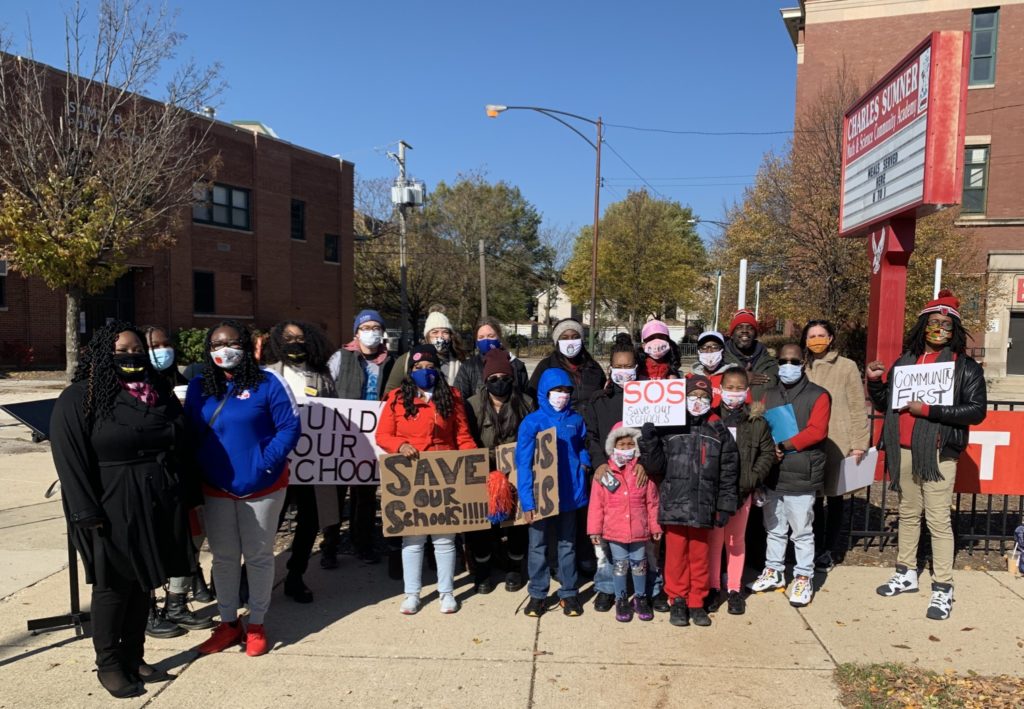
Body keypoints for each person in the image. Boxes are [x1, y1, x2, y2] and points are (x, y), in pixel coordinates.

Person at [50, 321, 194, 697]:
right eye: (122, 351)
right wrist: (86, 511)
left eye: (136, 351)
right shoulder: (80, 397)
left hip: (157, 498)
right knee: (113, 586)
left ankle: (133, 655)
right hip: (109, 502)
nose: (131, 357)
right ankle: (109, 663)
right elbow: (69, 459)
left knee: (144, 580)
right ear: (101, 355)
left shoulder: (156, 391)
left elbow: (179, 434)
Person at [185, 321, 301, 657]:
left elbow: (289, 427)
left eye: (232, 343)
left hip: (263, 487)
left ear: (246, 346)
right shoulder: (198, 387)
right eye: (216, 344)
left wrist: (266, 462)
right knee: (223, 558)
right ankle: (227, 623)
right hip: (216, 488)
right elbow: (191, 433)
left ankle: (258, 624)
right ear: (209, 350)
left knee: (259, 556)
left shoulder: (269, 383)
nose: (224, 350)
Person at [868, 290, 986, 620]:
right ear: (923, 326)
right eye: (934, 322)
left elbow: (976, 411)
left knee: (937, 520)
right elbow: (885, 404)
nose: (939, 328)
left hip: (937, 454)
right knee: (908, 513)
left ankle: (943, 587)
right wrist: (876, 383)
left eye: (946, 324)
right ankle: (906, 572)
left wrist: (929, 410)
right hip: (903, 450)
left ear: (955, 330)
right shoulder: (905, 363)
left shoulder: (965, 368)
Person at [375, 344, 476, 615]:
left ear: (438, 370)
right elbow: (383, 435)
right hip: (410, 474)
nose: (424, 372)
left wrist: (470, 464)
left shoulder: (452, 397)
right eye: (418, 368)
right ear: (410, 372)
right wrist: (400, 446)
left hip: (445, 474)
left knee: (444, 539)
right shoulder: (397, 398)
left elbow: (463, 436)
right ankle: (412, 594)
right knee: (413, 539)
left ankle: (446, 592)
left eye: (430, 367)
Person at [644, 375, 739, 628]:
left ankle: (697, 601)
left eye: (703, 397)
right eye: (692, 396)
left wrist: (725, 504)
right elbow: (655, 466)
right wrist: (649, 438)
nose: (698, 401)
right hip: (675, 503)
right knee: (675, 555)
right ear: (682, 398)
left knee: (700, 555)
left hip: (703, 506)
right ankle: (677, 599)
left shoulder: (718, 429)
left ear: (711, 399)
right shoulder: (670, 426)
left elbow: (729, 470)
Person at [583, 333, 665, 613]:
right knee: (608, 540)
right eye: (618, 366)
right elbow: (592, 437)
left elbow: (657, 434)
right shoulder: (599, 400)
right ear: (610, 368)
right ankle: (608, 588)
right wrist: (599, 464)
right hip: (610, 474)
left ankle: (651, 589)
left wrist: (646, 463)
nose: (623, 372)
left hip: (641, 473)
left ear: (636, 367)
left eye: (628, 366)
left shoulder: (649, 397)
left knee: (645, 544)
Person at [141, 325, 213, 637]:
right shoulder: (136, 386)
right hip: (152, 479)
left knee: (191, 540)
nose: (162, 350)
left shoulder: (187, 383)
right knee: (151, 545)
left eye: (166, 343)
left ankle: (176, 603)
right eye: (154, 345)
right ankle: (146, 609)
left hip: (186, 475)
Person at [748, 343, 831, 608]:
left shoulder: (819, 395)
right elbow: (756, 425)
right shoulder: (767, 394)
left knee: (802, 531)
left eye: (794, 361)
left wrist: (783, 446)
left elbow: (817, 431)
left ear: (803, 363)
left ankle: (803, 576)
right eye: (783, 360)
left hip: (801, 472)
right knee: (773, 527)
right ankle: (773, 570)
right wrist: (769, 449)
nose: (788, 366)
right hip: (773, 473)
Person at [261, 319, 338, 604]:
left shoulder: (323, 375)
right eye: (289, 338)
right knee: (270, 520)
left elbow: (335, 417)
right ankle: (251, 576)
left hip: (312, 465)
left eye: (300, 338)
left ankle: (296, 575)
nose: (296, 343)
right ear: (278, 343)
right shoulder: (267, 375)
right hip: (280, 462)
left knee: (309, 521)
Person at [325, 309, 396, 568]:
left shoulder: (390, 361)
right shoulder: (340, 358)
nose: (371, 332)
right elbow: (326, 388)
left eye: (376, 327)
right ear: (356, 332)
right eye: (366, 327)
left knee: (365, 495)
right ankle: (329, 546)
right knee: (335, 494)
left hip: (373, 438)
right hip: (342, 436)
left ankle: (362, 543)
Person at [518, 368, 591, 618]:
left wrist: (584, 464)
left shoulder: (576, 420)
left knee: (567, 544)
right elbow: (523, 464)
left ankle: (569, 592)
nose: (562, 395)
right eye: (557, 390)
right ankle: (538, 594)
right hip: (541, 497)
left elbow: (581, 446)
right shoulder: (532, 422)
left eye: (566, 391)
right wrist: (527, 501)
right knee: (537, 545)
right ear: (545, 392)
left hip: (570, 494)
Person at [801, 319, 870, 573]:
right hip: (807, 442)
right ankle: (813, 547)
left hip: (838, 441)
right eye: (812, 336)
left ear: (831, 338)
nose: (816, 340)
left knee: (835, 498)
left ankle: (828, 549)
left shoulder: (846, 367)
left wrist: (859, 443)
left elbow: (856, 405)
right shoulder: (800, 366)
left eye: (821, 335)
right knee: (812, 500)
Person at [464, 349, 534, 593]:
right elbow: (466, 438)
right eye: (493, 378)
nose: (499, 382)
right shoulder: (472, 405)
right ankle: (483, 568)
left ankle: (515, 565)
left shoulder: (525, 403)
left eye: (504, 377)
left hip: (515, 471)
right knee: (479, 523)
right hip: (484, 472)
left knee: (516, 521)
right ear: (485, 381)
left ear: (512, 379)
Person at [707, 368, 776, 615]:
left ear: (747, 391)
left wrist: (751, 479)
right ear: (721, 389)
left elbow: (767, 453)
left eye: (739, 388)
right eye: (729, 387)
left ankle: (734, 589)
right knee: (714, 542)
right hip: (715, 492)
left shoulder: (756, 422)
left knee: (736, 541)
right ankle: (714, 587)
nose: (734, 393)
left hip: (742, 490)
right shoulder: (710, 417)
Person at [587, 423, 662, 623]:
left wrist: (655, 526)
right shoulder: (605, 474)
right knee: (619, 565)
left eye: (630, 444)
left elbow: (652, 502)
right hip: (614, 531)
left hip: (639, 529)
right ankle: (621, 599)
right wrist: (594, 529)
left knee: (639, 565)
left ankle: (640, 598)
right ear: (613, 446)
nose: (626, 448)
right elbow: (596, 504)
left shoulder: (642, 472)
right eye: (621, 444)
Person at [527, 318, 606, 410]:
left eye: (575, 337)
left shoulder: (593, 367)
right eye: (564, 338)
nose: (570, 341)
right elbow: (533, 398)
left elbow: (603, 397)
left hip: (589, 422)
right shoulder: (546, 366)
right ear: (557, 341)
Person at [384, 308, 466, 395]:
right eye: (435, 332)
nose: (440, 336)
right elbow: (390, 392)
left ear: (450, 336)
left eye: (445, 332)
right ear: (427, 336)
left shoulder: (459, 364)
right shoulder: (407, 359)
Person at [453, 316, 529, 403]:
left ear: (499, 337)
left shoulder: (516, 365)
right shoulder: (468, 367)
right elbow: (460, 399)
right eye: (481, 337)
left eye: (490, 336)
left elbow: (525, 398)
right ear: (476, 341)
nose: (486, 340)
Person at [722, 309, 778, 402]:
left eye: (750, 327)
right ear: (732, 334)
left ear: (755, 334)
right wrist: (740, 378)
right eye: (739, 327)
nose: (745, 331)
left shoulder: (770, 362)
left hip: (761, 414)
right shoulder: (720, 360)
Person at [689, 331, 736, 407]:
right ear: (698, 351)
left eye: (715, 347)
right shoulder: (690, 378)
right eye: (704, 347)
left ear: (722, 350)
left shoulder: (733, 377)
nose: (709, 351)